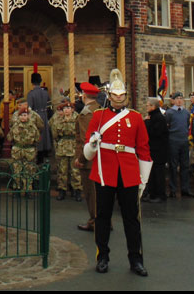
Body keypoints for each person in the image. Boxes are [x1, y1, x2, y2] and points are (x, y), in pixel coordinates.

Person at [82, 69, 152, 277]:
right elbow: (88, 148)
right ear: (109, 96)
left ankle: (136, 259)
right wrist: (93, 144)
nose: (119, 99)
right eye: (115, 95)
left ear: (126, 97)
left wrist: (143, 178)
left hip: (129, 173)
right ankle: (102, 256)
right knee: (102, 217)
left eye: (122, 96)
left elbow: (144, 148)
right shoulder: (98, 116)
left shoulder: (136, 118)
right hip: (105, 172)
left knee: (132, 218)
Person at [74, 82, 101, 231]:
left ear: (84, 95)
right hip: (100, 158)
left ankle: (95, 220)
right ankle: (103, 219)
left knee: (91, 193)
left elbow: (88, 139)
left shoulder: (86, 114)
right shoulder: (100, 110)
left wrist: (81, 159)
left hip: (90, 159)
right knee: (100, 192)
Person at [165, 92, 194, 197]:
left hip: (184, 141)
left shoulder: (186, 113)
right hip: (173, 141)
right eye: (177, 98)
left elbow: (187, 125)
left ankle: (185, 189)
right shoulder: (169, 113)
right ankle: (173, 189)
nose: (179, 100)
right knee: (173, 166)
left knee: (185, 166)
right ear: (173, 100)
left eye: (181, 98)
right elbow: (167, 126)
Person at [51, 100, 81, 201]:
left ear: (72, 110)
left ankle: (77, 190)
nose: (67, 110)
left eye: (68, 108)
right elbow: (55, 134)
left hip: (73, 146)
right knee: (62, 170)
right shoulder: (58, 120)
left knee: (75, 170)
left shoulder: (77, 119)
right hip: (62, 147)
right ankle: (62, 190)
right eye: (65, 109)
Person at [7, 105, 41, 193]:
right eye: (21, 115)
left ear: (28, 116)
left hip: (29, 151)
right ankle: (17, 188)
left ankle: (28, 189)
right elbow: (9, 137)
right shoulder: (15, 126)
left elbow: (37, 138)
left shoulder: (33, 127)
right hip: (17, 150)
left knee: (28, 170)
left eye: (25, 115)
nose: (23, 117)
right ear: (18, 116)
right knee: (17, 170)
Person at [143, 97, 169, 203]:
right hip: (153, 150)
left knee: (158, 174)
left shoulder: (158, 118)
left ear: (153, 106)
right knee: (152, 173)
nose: (146, 107)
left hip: (159, 150)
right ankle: (152, 193)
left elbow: (154, 133)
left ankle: (160, 194)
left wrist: (146, 123)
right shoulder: (153, 117)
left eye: (148, 105)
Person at [27, 71, 52, 165]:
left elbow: (30, 108)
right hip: (44, 115)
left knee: (38, 136)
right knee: (44, 135)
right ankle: (45, 155)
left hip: (36, 116)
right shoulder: (45, 93)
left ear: (32, 82)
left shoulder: (31, 94)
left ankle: (38, 158)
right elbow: (49, 106)